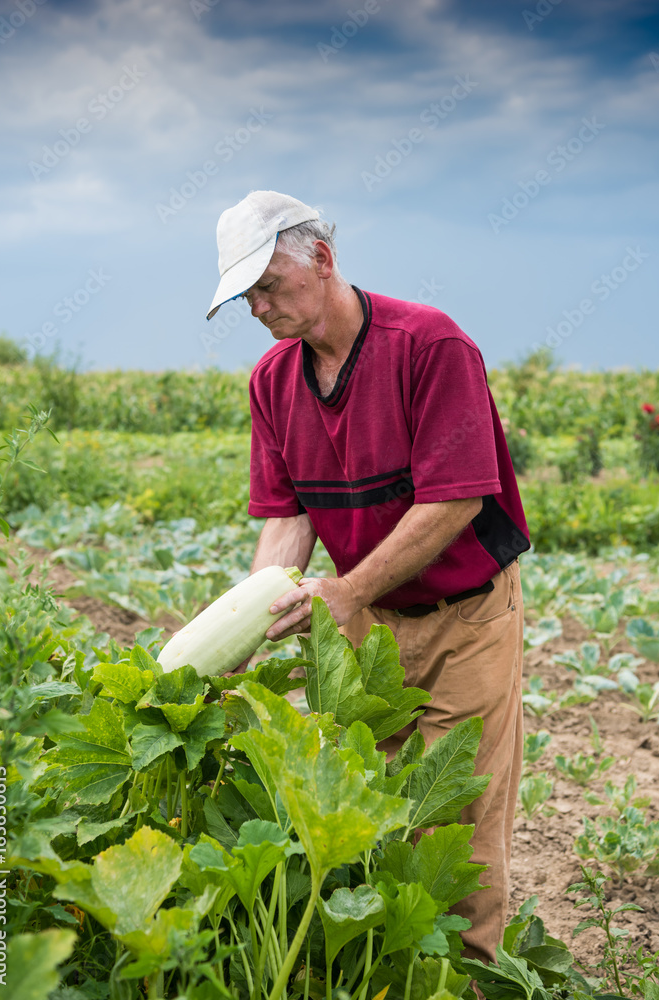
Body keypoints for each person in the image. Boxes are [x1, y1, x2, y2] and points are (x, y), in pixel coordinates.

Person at [205, 190, 530, 964]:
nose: (257, 307)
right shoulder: (272, 381)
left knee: (457, 822)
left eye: (266, 285)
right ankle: (384, 970)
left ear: (321, 259)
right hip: (364, 620)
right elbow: (288, 518)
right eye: (244, 294)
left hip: (464, 616)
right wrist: (246, 626)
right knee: (366, 807)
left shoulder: (429, 344)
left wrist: (347, 589)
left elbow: (455, 500)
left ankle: (466, 979)